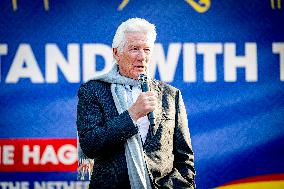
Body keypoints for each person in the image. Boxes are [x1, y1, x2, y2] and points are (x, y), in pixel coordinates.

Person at [76, 18, 196, 189]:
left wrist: (184, 184)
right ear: (116, 53)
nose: (142, 57)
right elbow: (90, 145)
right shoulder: (93, 90)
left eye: (147, 50)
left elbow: (184, 156)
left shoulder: (171, 94)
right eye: (134, 49)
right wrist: (132, 115)